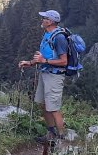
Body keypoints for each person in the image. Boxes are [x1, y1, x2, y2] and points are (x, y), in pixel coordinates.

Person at [18, 9, 68, 142]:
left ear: (50, 22)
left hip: (54, 76)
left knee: (53, 108)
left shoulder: (59, 38)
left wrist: (44, 61)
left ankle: (61, 138)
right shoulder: (47, 35)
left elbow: (64, 61)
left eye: (44, 18)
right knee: (44, 105)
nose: (42, 20)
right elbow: (42, 57)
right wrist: (29, 63)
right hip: (45, 73)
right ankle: (50, 134)